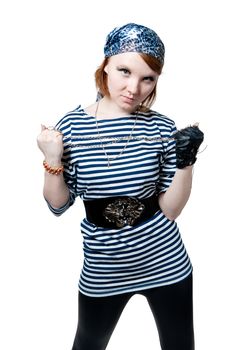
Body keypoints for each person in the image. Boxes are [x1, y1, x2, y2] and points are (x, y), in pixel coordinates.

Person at [37, 23, 204, 350]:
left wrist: (187, 161)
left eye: (147, 79)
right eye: (124, 71)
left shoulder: (161, 126)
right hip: (105, 265)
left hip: (165, 260)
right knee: (89, 341)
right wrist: (52, 158)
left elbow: (170, 210)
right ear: (105, 67)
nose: (134, 88)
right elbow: (57, 206)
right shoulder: (71, 126)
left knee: (180, 344)